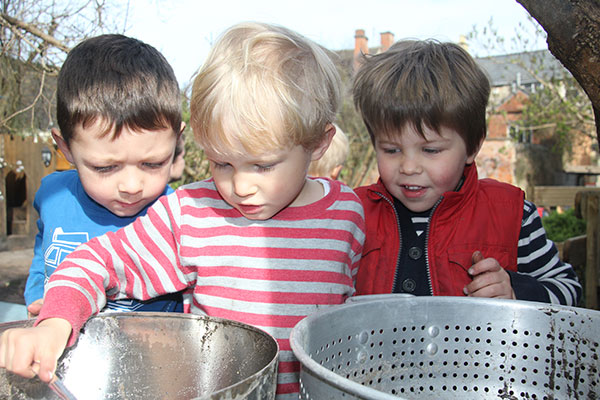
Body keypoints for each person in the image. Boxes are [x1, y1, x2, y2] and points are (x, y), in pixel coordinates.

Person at [0, 22, 365, 400]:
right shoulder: (192, 213)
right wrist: (56, 321)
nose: (240, 186)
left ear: (319, 143)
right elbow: (95, 261)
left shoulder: (347, 213)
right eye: (221, 163)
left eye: (262, 166)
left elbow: (357, 313)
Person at [352, 39, 582, 306]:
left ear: (472, 146)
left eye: (431, 150)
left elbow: (570, 291)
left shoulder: (513, 215)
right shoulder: (352, 215)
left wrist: (516, 291)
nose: (409, 167)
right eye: (391, 150)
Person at [23, 34, 185, 318]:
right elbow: (42, 250)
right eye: (105, 168)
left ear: (176, 143)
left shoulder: (177, 218)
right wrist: (37, 293)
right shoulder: (52, 195)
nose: (132, 186)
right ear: (66, 148)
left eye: (153, 163)